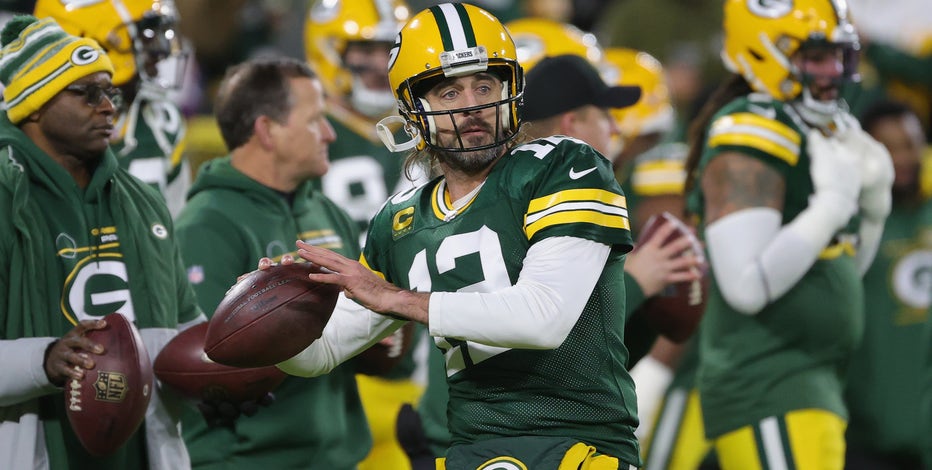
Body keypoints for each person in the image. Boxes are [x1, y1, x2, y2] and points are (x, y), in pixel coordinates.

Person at [277, 3, 642, 468]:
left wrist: (398, 299)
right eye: (450, 93)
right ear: (416, 110)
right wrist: (279, 309)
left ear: (510, 91)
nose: (472, 106)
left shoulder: (564, 167)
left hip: (576, 444)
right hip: (470, 450)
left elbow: (542, 318)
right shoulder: (401, 219)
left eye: (484, 86)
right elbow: (322, 351)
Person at [682, 0, 894, 468]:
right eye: (817, 56)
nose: (834, 71)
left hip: (810, 385)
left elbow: (840, 270)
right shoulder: (753, 128)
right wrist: (832, 206)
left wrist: (874, 209)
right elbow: (746, 287)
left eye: (840, 56)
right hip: (768, 386)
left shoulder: (812, 126)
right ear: (764, 52)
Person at [0, 15, 205, 469]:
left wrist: (219, 372)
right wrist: (45, 359)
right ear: (35, 103)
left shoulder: (144, 201)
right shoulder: (4, 198)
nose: (108, 106)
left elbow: (187, 325)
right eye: (87, 93)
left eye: (109, 92)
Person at [172, 56, 372, 469]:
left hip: (337, 456)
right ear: (267, 130)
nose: (330, 134)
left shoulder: (328, 212)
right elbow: (207, 368)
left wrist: (385, 332)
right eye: (316, 120)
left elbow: (385, 361)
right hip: (247, 460)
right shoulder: (206, 225)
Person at [304, 3, 427, 467]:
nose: (380, 65)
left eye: (388, 50)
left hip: (417, 349)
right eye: (366, 50)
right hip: (333, 349)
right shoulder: (308, 130)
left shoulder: (423, 125)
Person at [34, 0, 192, 218]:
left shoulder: (162, 124)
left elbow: (177, 234)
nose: (160, 53)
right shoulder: (26, 138)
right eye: (147, 37)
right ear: (100, 43)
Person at [843, 100, 932, 470]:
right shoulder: (851, 228)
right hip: (867, 438)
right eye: (889, 148)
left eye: (910, 144)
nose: (903, 157)